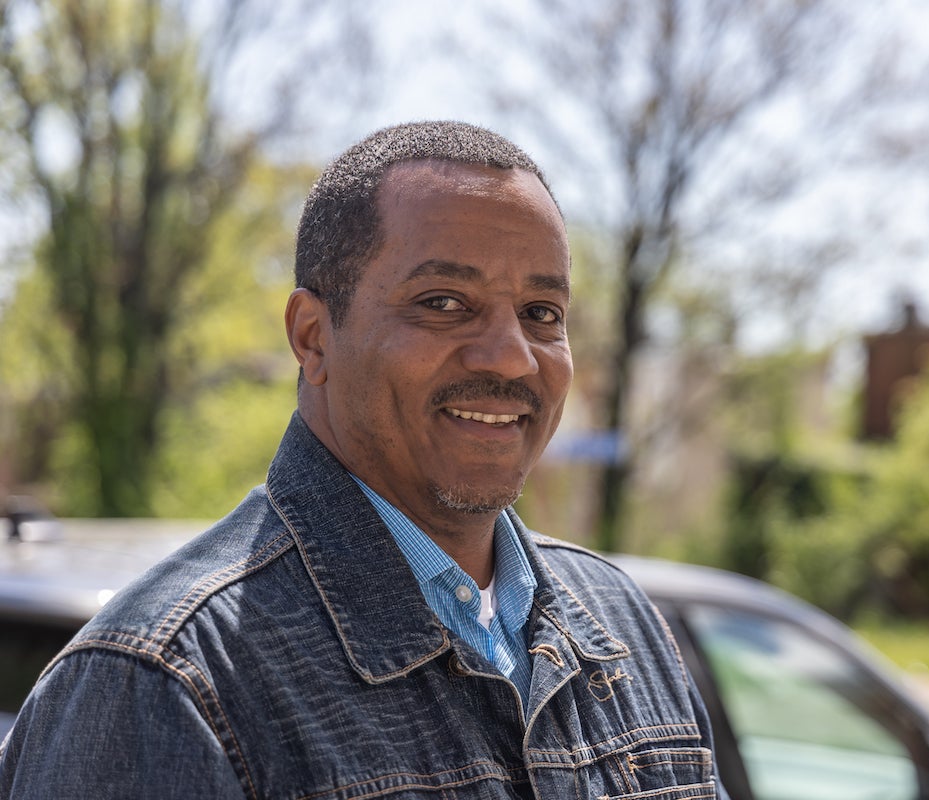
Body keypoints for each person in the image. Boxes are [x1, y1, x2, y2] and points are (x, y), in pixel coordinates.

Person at [0, 121, 727, 799]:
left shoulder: (625, 628)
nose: (511, 356)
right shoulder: (166, 680)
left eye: (542, 313)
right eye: (444, 302)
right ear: (313, 337)